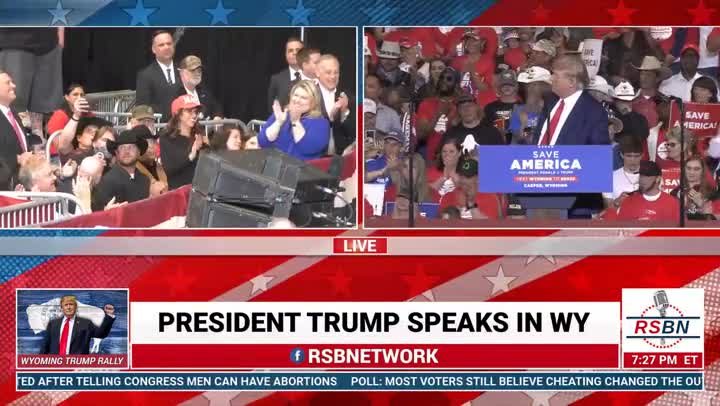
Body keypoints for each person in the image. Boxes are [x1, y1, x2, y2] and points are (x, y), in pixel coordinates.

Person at [534, 54, 610, 145]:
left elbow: (597, 154)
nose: (551, 78)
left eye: (555, 75)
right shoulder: (550, 101)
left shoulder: (595, 113)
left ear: (571, 82)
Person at [258, 80, 330, 161]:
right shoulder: (281, 114)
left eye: (304, 98)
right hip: (273, 165)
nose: (297, 100)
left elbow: (307, 148)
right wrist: (278, 123)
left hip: (302, 170)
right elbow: (262, 141)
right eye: (295, 95)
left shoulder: (320, 123)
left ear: (313, 102)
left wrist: (295, 121)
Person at [93, 127, 151, 211]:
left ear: (139, 152)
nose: (126, 151)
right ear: (116, 153)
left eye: (131, 147)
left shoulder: (144, 180)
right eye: (122, 148)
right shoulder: (108, 180)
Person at [40, 295, 115, 355]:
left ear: (75, 307)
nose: (68, 307)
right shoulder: (53, 323)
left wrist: (109, 315)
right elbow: (46, 345)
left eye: (71, 305)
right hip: (56, 365)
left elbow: (101, 334)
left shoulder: (86, 323)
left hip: (77, 365)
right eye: (66, 305)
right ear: (62, 308)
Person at [160, 95, 207, 190]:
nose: (194, 115)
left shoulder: (199, 135)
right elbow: (169, 169)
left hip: (200, 192)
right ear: (178, 113)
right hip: (179, 194)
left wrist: (208, 148)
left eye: (196, 112)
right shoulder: (167, 138)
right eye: (189, 111)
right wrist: (191, 155)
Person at [416, 67, 461, 161]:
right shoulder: (426, 104)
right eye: (442, 78)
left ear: (456, 84)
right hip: (433, 157)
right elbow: (421, 135)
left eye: (449, 79)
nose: (444, 81)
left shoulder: (461, 105)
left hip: (458, 156)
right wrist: (439, 113)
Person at [438, 155, 505, 219]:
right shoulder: (448, 197)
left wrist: (471, 203)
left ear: (478, 178)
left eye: (468, 177)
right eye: (461, 176)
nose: (464, 180)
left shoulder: (489, 198)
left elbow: (488, 228)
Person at [135, 30, 182, 121]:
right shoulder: (145, 75)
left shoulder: (183, 70)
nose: (166, 47)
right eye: (161, 45)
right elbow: (143, 107)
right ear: (153, 49)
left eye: (169, 44)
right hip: (160, 127)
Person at [316, 54, 354, 155]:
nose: (333, 76)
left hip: (340, 158)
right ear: (317, 73)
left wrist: (344, 112)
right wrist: (330, 118)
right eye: (328, 72)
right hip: (314, 157)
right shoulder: (309, 94)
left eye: (336, 72)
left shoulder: (347, 96)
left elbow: (353, 132)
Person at [0, 69, 32, 175]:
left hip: (23, 180)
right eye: (8, 83)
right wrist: (16, 159)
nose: (14, 85)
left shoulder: (14, 114)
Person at [510, 66, 552, 144]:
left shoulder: (555, 109)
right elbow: (519, 138)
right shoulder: (519, 110)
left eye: (534, 85)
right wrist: (524, 125)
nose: (529, 89)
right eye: (527, 85)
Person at [176, 55, 222, 120]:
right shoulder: (175, 92)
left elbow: (216, 108)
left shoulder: (204, 92)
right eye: (193, 71)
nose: (197, 73)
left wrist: (217, 116)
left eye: (199, 70)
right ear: (182, 72)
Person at [603, 136, 643, 209]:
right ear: (621, 155)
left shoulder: (652, 176)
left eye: (636, 156)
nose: (632, 160)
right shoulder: (610, 177)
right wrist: (618, 201)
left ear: (642, 156)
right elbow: (607, 209)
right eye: (629, 156)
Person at [632, 56, 671, 128]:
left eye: (648, 75)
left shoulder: (665, 102)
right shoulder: (630, 99)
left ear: (657, 78)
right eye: (642, 74)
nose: (644, 78)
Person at [483, 69, 520, 139]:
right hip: (497, 147)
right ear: (499, 87)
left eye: (510, 84)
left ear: (516, 86)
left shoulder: (525, 106)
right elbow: (486, 132)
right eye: (504, 84)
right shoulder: (490, 108)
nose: (507, 87)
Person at [267, 37, 304, 108]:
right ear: (286, 55)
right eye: (290, 50)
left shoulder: (314, 75)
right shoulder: (276, 79)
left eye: (298, 50)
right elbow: (272, 109)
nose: (295, 53)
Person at [427, 137, 462, 201]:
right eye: (444, 151)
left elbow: (467, 192)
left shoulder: (466, 173)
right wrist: (444, 177)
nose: (447, 154)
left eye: (451, 151)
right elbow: (426, 193)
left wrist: (452, 175)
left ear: (459, 153)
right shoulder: (431, 172)